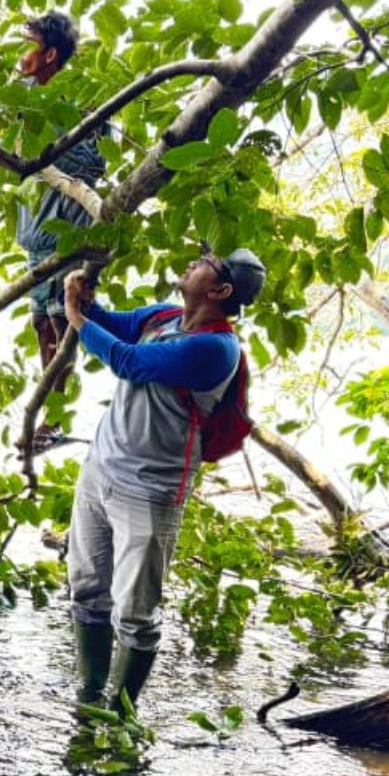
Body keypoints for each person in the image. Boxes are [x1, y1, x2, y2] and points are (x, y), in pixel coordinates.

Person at [60, 244, 265, 714]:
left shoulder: (216, 349)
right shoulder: (164, 317)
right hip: (102, 469)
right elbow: (113, 325)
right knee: (88, 587)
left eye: (204, 265)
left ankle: (119, 711)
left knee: (135, 609)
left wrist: (75, 316)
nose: (192, 262)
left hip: (152, 489)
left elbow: (128, 361)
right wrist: (84, 300)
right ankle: (89, 697)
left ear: (220, 290)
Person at [11, 10, 109, 454]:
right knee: (40, 325)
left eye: (26, 45)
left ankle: (55, 420)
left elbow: (94, 163)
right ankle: (50, 415)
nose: (17, 56)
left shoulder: (76, 103)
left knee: (58, 320)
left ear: (50, 54)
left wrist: (44, 152)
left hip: (65, 234)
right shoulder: (19, 99)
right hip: (35, 237)